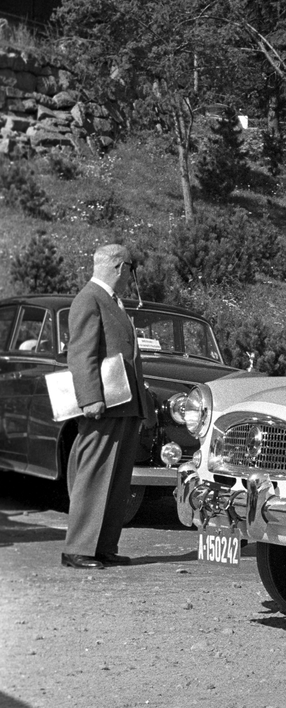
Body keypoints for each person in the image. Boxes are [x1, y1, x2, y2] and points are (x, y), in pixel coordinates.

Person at [61, 244, 153, 569]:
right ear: (118, 266)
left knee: (116, 479)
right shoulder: (89, 298)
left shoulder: (113, 301)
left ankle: (102, 547)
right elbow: (81, 353)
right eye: (131, 268)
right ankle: (78, 549)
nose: (131, 276)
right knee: (94, 475)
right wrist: (90, 399)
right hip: (104, 405)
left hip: (124, 405)